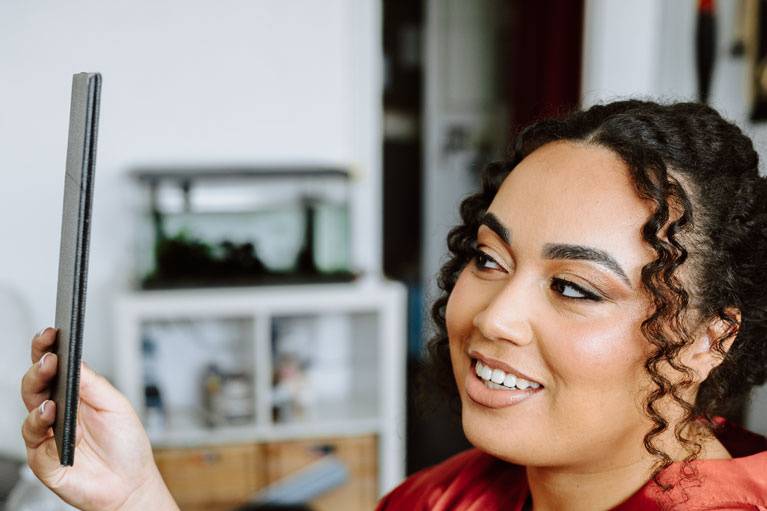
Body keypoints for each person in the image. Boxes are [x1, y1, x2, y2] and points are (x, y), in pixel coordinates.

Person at [20, 101, 767, 510]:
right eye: (487, 258)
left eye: (572, 287)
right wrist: (135, 498)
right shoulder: (441, 495)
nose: (493, 316)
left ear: (707, 337)